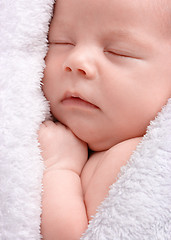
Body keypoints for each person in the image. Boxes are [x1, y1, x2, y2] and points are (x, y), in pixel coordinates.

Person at [38, 0, 171, 239]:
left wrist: (60, 168)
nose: (76, 61)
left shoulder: (129, 159)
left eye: (118, 51)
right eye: (61, 42)